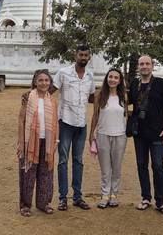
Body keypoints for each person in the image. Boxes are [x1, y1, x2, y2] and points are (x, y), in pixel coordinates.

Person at [129, 55, 163, 216]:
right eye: (142, 64)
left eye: (147, 64)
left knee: (158, 166)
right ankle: (146, 197)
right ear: (138, 67)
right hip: (139, 133)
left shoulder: (161, 84)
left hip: (157, 132)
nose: (144, 67)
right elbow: (128, 105)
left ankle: (161, 201)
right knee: (142, 165)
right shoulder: (134, 84)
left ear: (152, 66)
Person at [52, 45, 96, 211]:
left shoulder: (90, 76)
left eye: (86, 55)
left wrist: (114, 97)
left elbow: (91, 98)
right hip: (65, 123)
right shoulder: (63, 73)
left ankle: (77, 197)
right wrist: (34, 96)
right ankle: (63, 198)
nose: (83, 57)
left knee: (78, 161)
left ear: (89, 57)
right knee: (63, 160)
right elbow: (51, 91)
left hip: (81, 124)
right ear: (75, 55)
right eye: (80, 55)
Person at [17, 69, 59, 217]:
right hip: (30, 142)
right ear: (35, 82)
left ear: (50, 82)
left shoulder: (52, 100)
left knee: (46, 173)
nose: (44, 83)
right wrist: (21, 142)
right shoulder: (28, 97)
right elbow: (21, 120)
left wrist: (56, 141)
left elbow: (55, 122)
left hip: (47, 141)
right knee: (28, 172)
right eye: (41, 80)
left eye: (47, 80)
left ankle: (44, 203)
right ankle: (25, 205)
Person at [89, 68, 127, 209]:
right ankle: (105, 195)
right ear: (106, 78)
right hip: (103, 135)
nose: (112, 79)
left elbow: (126, 115)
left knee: (116, 168)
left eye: (116, 77)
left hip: (120, 135)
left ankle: (114, 195)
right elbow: (95, 115)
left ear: (120, 80)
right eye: (110, 77)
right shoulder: (100, 95)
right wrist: (91, 133)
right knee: (105, 168)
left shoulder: (124, 96)